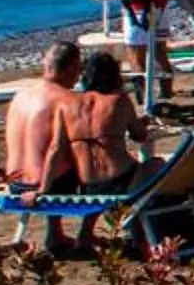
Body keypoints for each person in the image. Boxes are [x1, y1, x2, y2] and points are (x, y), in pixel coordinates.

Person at [57, 50, 159, 253]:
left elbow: (57, 146)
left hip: (86, 183)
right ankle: (138, 234)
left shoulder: (68, 104)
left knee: (100, 186)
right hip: (120, 179)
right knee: (156, 165)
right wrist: (141, 123)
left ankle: (85, 233)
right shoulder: (119, 100)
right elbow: (139, 136)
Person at [0, 43, 84, 255]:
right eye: (78, 70)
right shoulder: (66, 99)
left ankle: (55, 233)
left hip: (15, 183)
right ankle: (87, 234)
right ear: (72, 67)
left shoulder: (19, 97)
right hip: (45, 187)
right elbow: (59, 148)